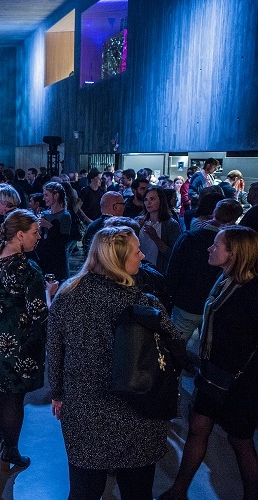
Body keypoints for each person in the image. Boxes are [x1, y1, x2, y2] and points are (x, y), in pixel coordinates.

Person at [47, 226, 184, 499]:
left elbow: (54, 350)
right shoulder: (145, 304)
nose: (142, 256)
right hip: (139, 410)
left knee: (84, 491)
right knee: (137, 491)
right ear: (117, 260)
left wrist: (58, 393)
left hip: (85, 409)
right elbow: (176, 347)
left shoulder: (67, 295)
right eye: (137, 251)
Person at [161, 226, 258, 500]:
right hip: (213, 374)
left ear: (234, 253)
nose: (209, 248)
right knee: (197, 430)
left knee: (239, 440)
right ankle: (179, 490)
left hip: (239, 382)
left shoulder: (251, 291)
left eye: (216, 245)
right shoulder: (225, 279)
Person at [0, 210, 57, 470]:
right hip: (22, 339)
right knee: (15, 395)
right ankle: (11, 451)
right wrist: (50, 293)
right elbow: (39, 313)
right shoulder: (28, 268)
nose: (39, 237)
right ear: (21, 235)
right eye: (35, 232)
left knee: (4, 387)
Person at [166, 199, 244, 341]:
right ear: (234, 220)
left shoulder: (189, 238)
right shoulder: (235, 248)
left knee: (175, 345)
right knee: (208, 345)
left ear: (214, 212)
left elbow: (173, 272)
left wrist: (171, 297)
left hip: (186, 303)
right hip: (215, 306)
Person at [136, 186, 182, 273]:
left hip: (158, 272)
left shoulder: (171, 224)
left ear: (161, 200)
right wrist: (136, 229)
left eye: (152, 199)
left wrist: (156, 238)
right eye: (146, 199)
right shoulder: (138, 221)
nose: (148, 202)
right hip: (139, 270)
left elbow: (175, 255)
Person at [35, 181, 72, 281]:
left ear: (56, 196)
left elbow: (63, 241)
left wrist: (49, 225)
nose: (43, 198)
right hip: (43, 256)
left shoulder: (65, 216)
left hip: (56, 258)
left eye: (46, 195)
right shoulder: (44, 214)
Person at [82, 191, 125, 256]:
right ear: (115, 207)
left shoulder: (91, 226)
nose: (124, 207)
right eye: (123, 204)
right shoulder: (120, 227)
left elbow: (86, 249)